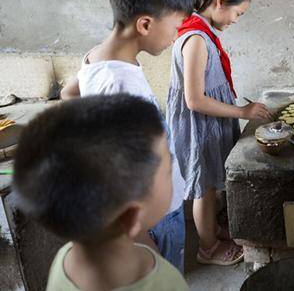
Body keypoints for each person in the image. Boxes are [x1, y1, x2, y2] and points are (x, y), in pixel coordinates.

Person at [60, 0, 193, 271]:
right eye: (175, 29)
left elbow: (69, 93)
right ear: (145, 24)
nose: (175, 38)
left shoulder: (97, 57)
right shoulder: (122, 85)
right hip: (155, 222)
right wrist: (144, 243)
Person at [13, 95, 189, 291]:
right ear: (132, 217)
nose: (172, 167)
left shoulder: (66, 258)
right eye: (168, 170)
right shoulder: (165, 283)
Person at [167, 0, 270, 265]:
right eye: (237, 13)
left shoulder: (204, 34)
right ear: (221, 1)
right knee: (204, 188)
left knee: (212, 180)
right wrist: (242, 112)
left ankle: (211, 229)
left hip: (209, 123)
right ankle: (207, 248)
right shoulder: (196, 39)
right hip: (198, 125)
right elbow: (194, 100)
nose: (236, 20)